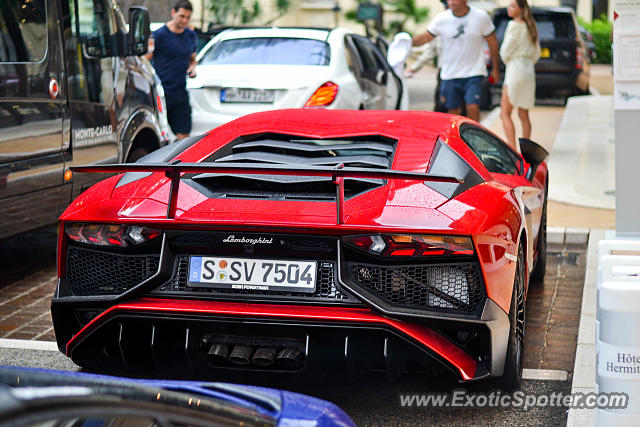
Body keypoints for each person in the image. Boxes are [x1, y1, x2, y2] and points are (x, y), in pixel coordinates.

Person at [412, 0, 499, 122]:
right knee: (454, 111)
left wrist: (495, 68)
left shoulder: (480, 17)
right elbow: (425, 37)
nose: (451, 1)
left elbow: (492, 42)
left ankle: (475, 138)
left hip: (474, 72)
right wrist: (406, 41)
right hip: (450, 74)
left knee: (472, 107)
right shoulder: (442, 19)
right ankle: (455, 139)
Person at [146, 0, 197, 140]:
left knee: (184, 137)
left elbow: (193, 59)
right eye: (182, 16)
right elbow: (144, 60)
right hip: (162, 93)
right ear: (173, 13)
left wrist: (192, 69)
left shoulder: (191, 35)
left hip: (181, 93)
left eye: (188, 17)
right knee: (160, 137)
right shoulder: (159, 35)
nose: (184, 20)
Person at [499, 0, 540, 151]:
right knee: (524, 115)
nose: (509, 9)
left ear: (521, 9)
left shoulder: (514, 25)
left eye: (512, 6)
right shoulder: (531, 26)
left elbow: (505, 50)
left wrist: (507, 59)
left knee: (505, 113)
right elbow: (536, 53)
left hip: (515, 69)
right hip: (529, 71)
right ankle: (526, 151)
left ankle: (512, 150)